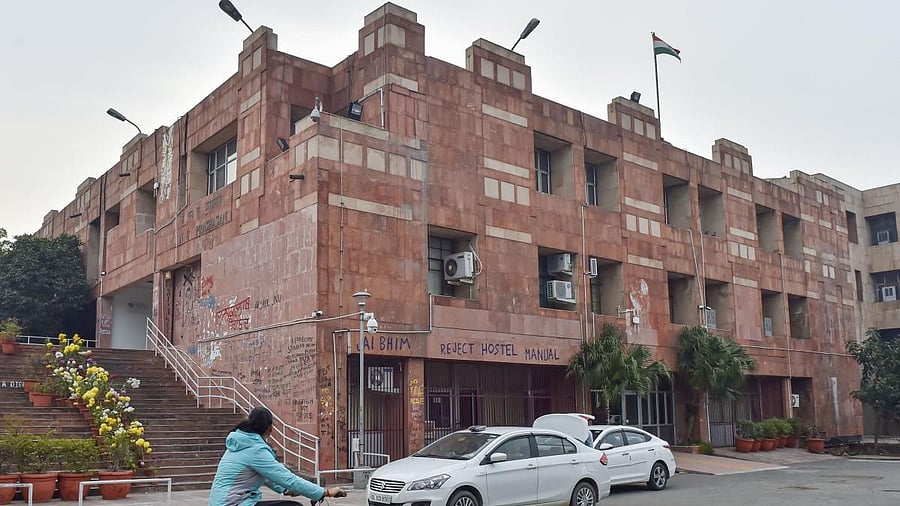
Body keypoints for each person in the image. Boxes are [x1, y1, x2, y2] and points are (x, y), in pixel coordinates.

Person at [209, 407, 345, 506]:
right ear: (269, 428)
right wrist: (324, 492)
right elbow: (288, 478)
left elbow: (268, 477)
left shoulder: (240, 444)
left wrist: (285, 490)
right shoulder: (255, 450)